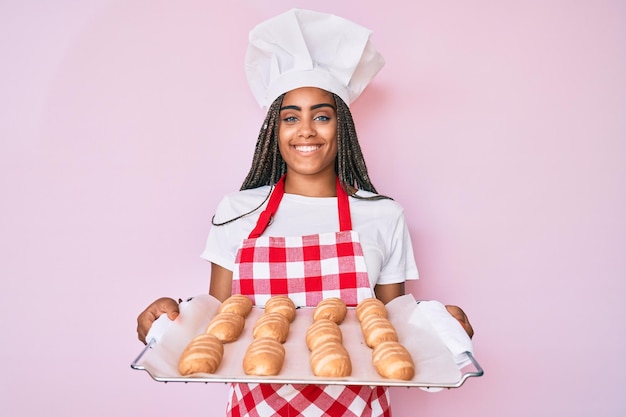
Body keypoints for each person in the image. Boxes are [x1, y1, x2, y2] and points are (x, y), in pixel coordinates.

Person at [136, 8, 474, 417]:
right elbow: (216, 320)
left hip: (358, 408)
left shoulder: (384, 215)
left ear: (342, 127)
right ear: (273, 132)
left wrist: (438, 324)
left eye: (322, 116)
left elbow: (390, 330)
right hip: (256, 408)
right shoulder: (238, 211)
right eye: (291, 117)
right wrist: (166, 319)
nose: (306, 130)